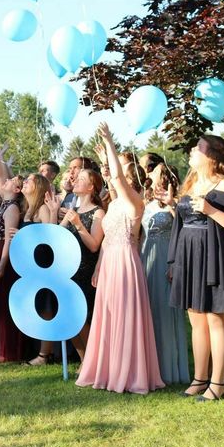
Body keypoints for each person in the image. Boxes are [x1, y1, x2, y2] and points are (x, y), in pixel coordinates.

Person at [75, 123, 164, 394]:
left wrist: (111, 143)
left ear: (131, 182)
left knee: (125, 316)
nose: (116, 179)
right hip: (110, 261)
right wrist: (99, 268)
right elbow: (105, 240)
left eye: (123, 177)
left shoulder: (135, 204)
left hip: (126, 262)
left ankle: (129, 372)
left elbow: (116, 177)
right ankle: (109, 368)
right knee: (108, 316)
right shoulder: (113, 204)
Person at [167, 134, 224, 401]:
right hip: (189, 256)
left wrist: (211, 210)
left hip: (214, 256)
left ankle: (219, 383)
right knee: (196, 319)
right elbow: (179, 224)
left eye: (196, 148)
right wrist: (174, 261)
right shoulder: (191, 182)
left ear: (210, 155)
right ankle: (199, 379)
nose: (191, 151)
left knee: (215, 318)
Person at [142, 164, 189, 385]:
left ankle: (169, 368)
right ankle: (150, 366)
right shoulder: (147, 202)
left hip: (166, 257)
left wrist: (175, 263)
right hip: (146, 258)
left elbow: (183, 229)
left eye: (154, 171)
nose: (149, 173)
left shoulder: (177, 201)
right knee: (149, 311)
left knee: (164, 311)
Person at [0, 131, 26, 362]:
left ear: (17, 189)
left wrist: (2, 263)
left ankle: (7, 351)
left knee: (5, 301)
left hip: (5, 254)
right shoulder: (5, 201)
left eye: (11, 181)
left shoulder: (12, 208)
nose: (5, 182)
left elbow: (10, 238)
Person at [59, 168, 105, 364]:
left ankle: (93, 362)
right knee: (69, 319)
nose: (76, 180)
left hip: (85, 270)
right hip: (67, 269)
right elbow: (58, 235)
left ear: (91, 187)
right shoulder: (73, 210)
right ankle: (84, 360)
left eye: (82, 179)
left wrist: (78, 223)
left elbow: (94, 245)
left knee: (83, 319)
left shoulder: (98, 212)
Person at [16, 173, 59, 365]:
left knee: (45, 308)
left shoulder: (42, 208)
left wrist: (21, 235)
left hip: (44, 264)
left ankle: (45, 354)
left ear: (39, 186)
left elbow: (50, 236)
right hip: (30, 266)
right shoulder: (27, 208)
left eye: (29, 180)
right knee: (36, 306)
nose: (24, 182)